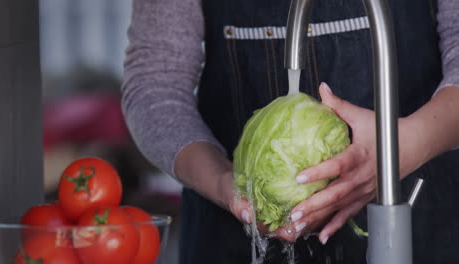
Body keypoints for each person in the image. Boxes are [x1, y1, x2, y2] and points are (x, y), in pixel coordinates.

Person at [121, 0, 459, 263]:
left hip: (423, 227)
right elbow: (155, 85)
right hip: (230, 238)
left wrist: (400, 148)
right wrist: (224, 183)